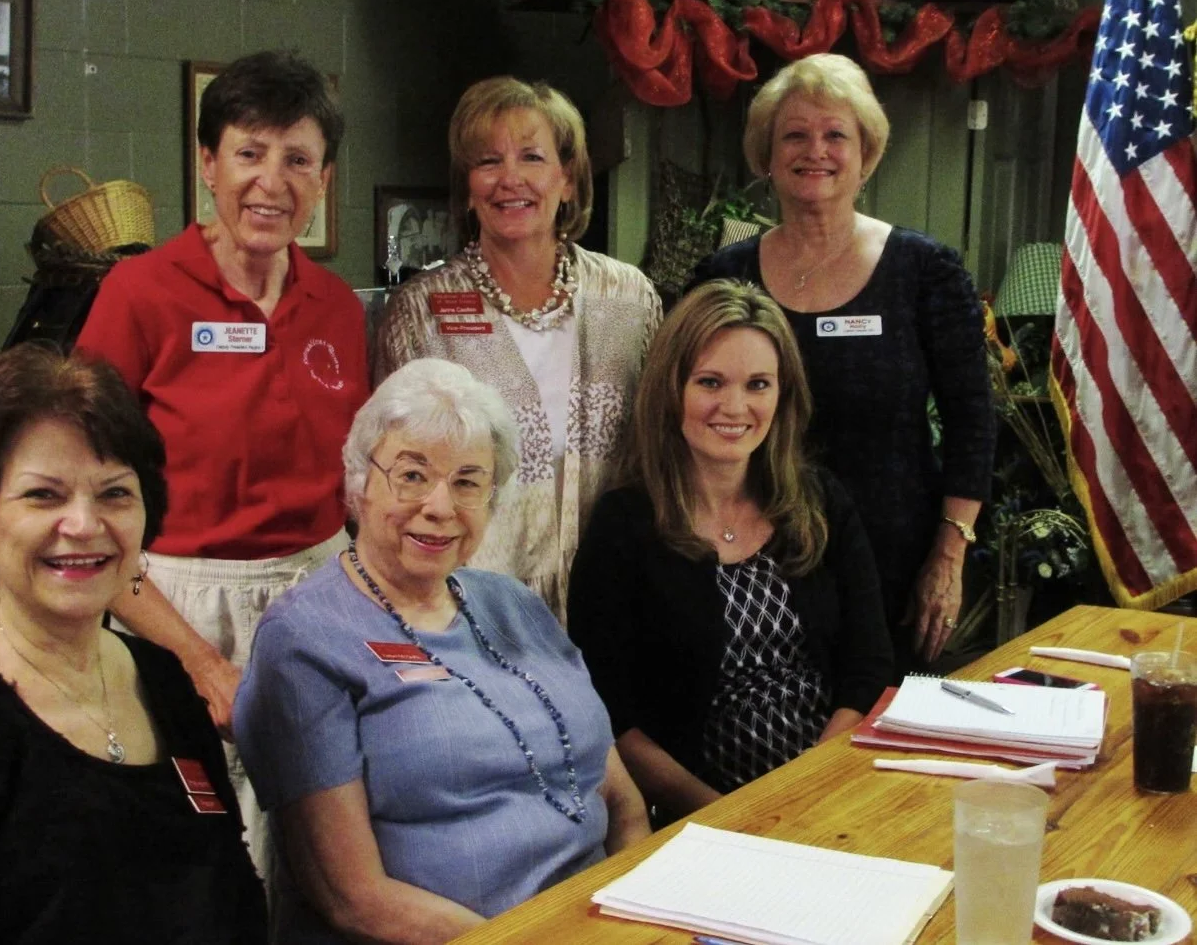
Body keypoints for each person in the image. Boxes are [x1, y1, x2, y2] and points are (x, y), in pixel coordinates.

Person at [234, 359, 650, 944]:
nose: (439, 506)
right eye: (411, 475)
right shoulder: (305, 641)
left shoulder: (515, 605)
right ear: (359, 480)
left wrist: (623, 919)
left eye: (467, 482)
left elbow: (620, 799)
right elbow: (352, 897)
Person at [74, 50, 369, 866]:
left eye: (298, 159)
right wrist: (198, 657)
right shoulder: (139, 295)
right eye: (249, 152)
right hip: (172, 607)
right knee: (196, 861)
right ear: (208, 163)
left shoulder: (339, 309)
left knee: (322, 860)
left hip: (318, 605)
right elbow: (88, 511)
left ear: (323, 178)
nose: (272, 181)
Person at [0, 344, 266, 943]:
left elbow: (236, 899)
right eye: (43, 495)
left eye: (114, 493)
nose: (84, 524)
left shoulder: (165, 680)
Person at [688, 54, 995, 671]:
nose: (816, 150)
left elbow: (972, 418)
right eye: (795, 135)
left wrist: (949, 555)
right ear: (766, 156)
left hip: (898, 565)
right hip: (756, 561)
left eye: (836, 135)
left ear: (866, 154)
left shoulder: (924, 270)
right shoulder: (724, 275)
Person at [567, 281, 895, 821]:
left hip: (830, 788)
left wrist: (812, 786)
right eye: (710, 382)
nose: (735, 407)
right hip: (696, 814)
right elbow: (610, 713)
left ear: (783, 394)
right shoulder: (623, 525)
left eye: (758, 384)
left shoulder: (819, 501)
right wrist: (725, 816)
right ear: (672, 388)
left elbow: (869, 663)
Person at [374, 76, 662, 622]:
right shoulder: (422, 310)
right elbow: (393, 476)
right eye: (488, 161)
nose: (510, 180)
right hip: (469, 606)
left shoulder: (631, 298)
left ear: (569, 179)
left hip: (618, 599)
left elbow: (658, 450)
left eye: (532, 157)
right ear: (468, 185)